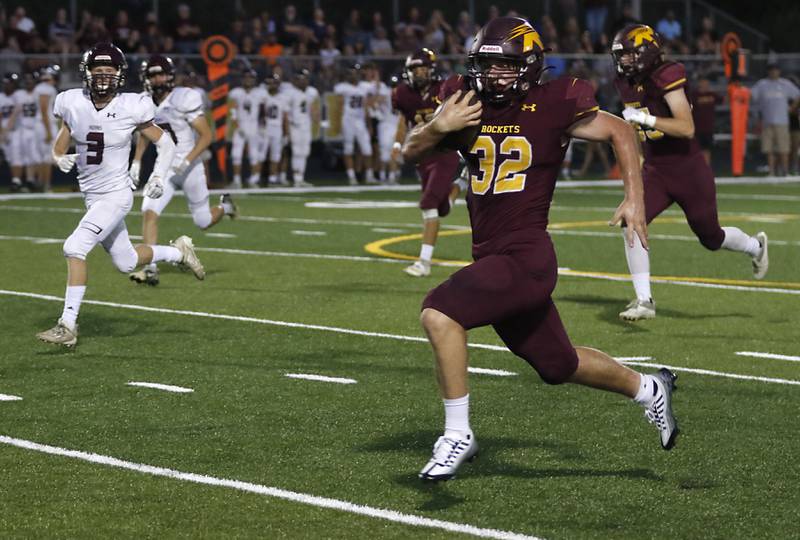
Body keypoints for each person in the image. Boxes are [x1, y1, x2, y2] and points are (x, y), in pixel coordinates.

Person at [402, 17, 679, 481]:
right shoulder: (465, 105)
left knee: (439, 312)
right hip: (492, 255)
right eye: (485, 67)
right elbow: (410, 152)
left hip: (526, 257)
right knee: (558, 364)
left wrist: (635, 196)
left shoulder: (552, 103)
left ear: (529, 67)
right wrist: (437, 125)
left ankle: (456, 434)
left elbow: (621, 132)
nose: (492, 77)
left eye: (504, 68)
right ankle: (648, 387)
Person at [36, 42, 205, 348]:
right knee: (126, 262)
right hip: (91, 195)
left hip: (116, 194)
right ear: (86, 73)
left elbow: (164, 143)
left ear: (119, 74)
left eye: (109, 71)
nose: (103, 77)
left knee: (75, 246)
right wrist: (58, 157)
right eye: (97, 71)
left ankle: (68, 325)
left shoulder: (131, 105)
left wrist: (156, 175)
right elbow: (63, 139)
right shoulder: (71, 102)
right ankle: (180, 253)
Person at [611, 24, 768, 321]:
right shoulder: (625, 82)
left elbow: (686, 127)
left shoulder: (667, 74)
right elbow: (634, 133)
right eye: (621, 56)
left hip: (688, 169)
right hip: (656, 170)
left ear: (647, 52)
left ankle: (755, 246)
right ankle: (644, 300)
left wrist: (648, 118)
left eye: (630, 55)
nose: (624, 62)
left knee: (711, 237)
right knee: (632, 220)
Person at [128, 54, 237, 286]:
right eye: (152, 75)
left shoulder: (184, 97)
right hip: (164, 167)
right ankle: (151, 268)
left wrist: (187, 160)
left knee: (203, 221)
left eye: (161, 74)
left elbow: (207, 135)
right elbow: (145, 134)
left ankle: (226, 206)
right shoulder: (144, 101)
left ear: (170, 75)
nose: (157, 79)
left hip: (190, 166)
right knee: (149, 210)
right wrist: (136, 160)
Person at [392, 48, 465, 277]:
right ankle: (461, 185)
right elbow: (403, 122)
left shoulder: (444, 89)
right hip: (422, 156)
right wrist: (397, 145)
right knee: (441, 208)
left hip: (444, 152)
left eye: (422, 68)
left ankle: (424, 263)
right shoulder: (402, 94)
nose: (419, 72)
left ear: (431, 69)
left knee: (428, 204)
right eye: (415, 69)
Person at [750, 64, 800, 176]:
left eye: (775, 70)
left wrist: (792, 108)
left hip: (782, 122)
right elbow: (751, 95)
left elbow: (798, 95)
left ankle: (785, 172)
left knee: (784, 148)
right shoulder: (762, 84)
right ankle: (771, 172)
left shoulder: (785, 84)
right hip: (767, 121)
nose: (773, 72)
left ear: (779, 71)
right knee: (769, 149)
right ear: (768, 72)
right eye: (771, 70)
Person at [334, 64, 376, 185]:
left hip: (360, 120)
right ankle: (351, 176)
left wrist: (369, 124)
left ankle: (369, 174)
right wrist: (338, 124)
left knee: (367, 148)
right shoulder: (342, 87)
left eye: (355, 72)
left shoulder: (365, 86)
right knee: (348, 148)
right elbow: (339, 106)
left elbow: (367, 105)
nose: (353, 75)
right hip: (347, 120)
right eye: (351, 73)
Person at [229, 69, 267, 188]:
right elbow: (232, 110)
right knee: (236, 154)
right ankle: (236, 180)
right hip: (240, 125)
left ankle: (254, 180)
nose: (248, 80)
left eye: (251, 78)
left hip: (254, 125)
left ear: (254, 80)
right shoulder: (237, 92)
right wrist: (236, 125)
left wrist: (262, 127)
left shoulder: (260, 92)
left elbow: (263, 111)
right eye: (246, 77)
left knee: (254, 154)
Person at [284, 69, 320, 187]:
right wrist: (287, 130)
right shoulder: (290, 93)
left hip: (306, 125)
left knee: (305, 152)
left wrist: (317, 120)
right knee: (297, 152)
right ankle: (296, 178)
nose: (303, 81)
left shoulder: (312, 92)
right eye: (300, 79)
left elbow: (314, 109)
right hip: (295, 125)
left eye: (304, 78)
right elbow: (286, 113)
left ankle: (301, 178)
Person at [34, 65, 60, 192]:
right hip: (45, 125)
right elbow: (44, 110)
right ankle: (46, 186)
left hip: (42, 124)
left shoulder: (40, 87)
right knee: (47, 157)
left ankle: (41, 183)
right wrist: (49, 131)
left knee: (43, 157)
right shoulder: (46, 88)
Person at [261, 73, 290, 186]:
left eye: (275, 83)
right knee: (260, 155)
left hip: (277, 128)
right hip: (264, 128)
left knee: (276, 154)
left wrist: (286, 133)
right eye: (271, 82)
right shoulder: (262, 95)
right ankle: (256, 177)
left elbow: (285, 117)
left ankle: (272, 178)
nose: (273, 85)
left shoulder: (283, 98)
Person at [690, 76, 722, 166]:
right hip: (697, 127)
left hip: (708, 127)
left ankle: (706, 169)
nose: (705, 85)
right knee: (696, 149)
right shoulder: (693, 95)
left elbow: (723, 100)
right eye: (703, 83)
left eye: (706, 83)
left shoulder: (712, 94)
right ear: (699, 84)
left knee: (707, 149)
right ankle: (697, 168)